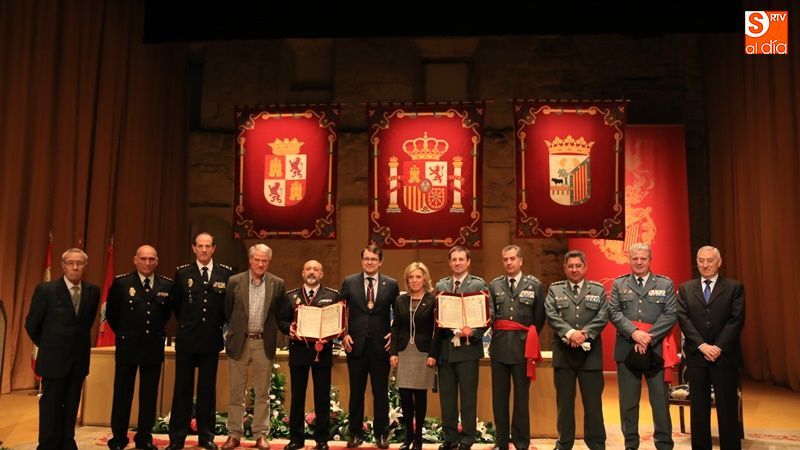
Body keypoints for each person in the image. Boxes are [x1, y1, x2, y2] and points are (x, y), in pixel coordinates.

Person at [25, 248, 100, 450]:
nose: (75, 267)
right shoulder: (46, 290)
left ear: (85, 266)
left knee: (71, 405)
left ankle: (67, 442)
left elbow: (86, 323)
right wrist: (50, 346)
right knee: (51, 407)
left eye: (80, 263)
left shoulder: (93, 291)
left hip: (78, 361)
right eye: (70, 263)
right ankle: (49, 445)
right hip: (53, 360)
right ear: (63, 265)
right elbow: (32, 325)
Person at [166, 232, 233, 450]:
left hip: (210, 340)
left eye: (208, 246)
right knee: (182, 390)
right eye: (200, 246)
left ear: (214, 248)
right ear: (193, 248)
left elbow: (227, 308)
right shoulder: (183, 273)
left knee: (207, 391)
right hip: (187, 339)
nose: (204, 250)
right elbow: (177, 306)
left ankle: (206, 436)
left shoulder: (225, 273)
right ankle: (177, 438)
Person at [608, 242, 676, 450]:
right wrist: (635, 334)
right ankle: (631, 444)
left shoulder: (665, 284)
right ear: (629, 259)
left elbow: (670, 314)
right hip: (627, 348)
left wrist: (648, 337)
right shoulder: (619, 284)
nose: (638, 262)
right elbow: (614, 312)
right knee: (628, 403)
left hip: (656, 350)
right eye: (635, 258)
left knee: (660, 402)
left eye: (643, 258)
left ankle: (664, 444)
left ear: (649, 260)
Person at [677, 246, 745, 450]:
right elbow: (683, 318)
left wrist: (717, 347)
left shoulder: (734, 287)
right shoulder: (686, 288)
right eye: (701, 260)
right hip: (697, 358)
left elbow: (737, 320)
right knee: (699, 410)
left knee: (727, 410)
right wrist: (702, 345)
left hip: (724, 358)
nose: (705, 265)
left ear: (719, 262)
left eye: (709, 260)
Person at [106, 245, 173, 450]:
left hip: (152, 347)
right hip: (128, 347)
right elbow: (112, 315)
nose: (147, 262)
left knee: (149, 396)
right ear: (135, 260)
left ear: (157, 261)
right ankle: (118, 438)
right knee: (122, 394)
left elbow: (166, 314)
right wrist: (127, 334)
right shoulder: (121, 283)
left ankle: (144, 438)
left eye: (151, 259)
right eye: (143, 258)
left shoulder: (166, 285)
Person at [222, 243, 288, 450]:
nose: (260, 264)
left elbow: (282, 314)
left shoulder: (277, 284)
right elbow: (227, 311)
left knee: (262, 393)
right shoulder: (234, 281)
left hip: (263, 343)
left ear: (269, 261)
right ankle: (234, 434)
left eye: (264, 260)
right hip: (239, 342)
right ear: (250, 260)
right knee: (236, 393)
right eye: (257, 260)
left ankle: (260, 434)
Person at [545, 250, 608, 450]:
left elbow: (603, 315)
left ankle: (597, 444)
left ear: (585, 267)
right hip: (564, 355)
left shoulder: (598, 290)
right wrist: (570, 333)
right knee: (564, 405)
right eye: (570, 266)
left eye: (578, 266)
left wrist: (584, 334)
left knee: (593, 405)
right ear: (564, 268)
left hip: (591, 355)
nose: (574, 269)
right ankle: (564, 443)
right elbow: (551, 314)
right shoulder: (555, 290)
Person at [339, 244, 399, 449]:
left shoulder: (391, 284)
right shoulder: (349, 282)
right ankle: (355, 434)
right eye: (366, 258)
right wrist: (343, 334)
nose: (370, 262)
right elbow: (338, 311)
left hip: (381, 346)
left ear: (380, 261)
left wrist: (395, 333)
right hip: (355, 346)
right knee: (356, 392)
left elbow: (398, 314)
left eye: (374, 259)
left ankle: (382, 435)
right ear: (361, 260)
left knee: (380, 393)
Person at [278, 260, 342, 450]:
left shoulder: (332, 296)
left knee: (322, 398)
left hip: (322, 353)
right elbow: (281, 320)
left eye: (316, 269)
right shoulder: (291, 296)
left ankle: (322, 440)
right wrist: (288, 328)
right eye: (308, 269)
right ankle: (296, 439)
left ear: (322, 274)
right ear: (302, 273)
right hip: (298, 353)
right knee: (297, 397)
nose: (311, 272)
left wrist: (334, 332)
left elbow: (340, 322)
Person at [488, 245, 545, 450]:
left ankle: (521, 441)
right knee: (499, 398)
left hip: (523, 349)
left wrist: (528, 338)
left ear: (521, 261)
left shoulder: (534, 285)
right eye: (505, 259)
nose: (509, 263)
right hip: (500, 348)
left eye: (512, 259)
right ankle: (501, 440)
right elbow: (491, 316)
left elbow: (539, 318)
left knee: (522, 398)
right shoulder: (494, 286)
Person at [433, 246, 488, 450]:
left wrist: (472, 332)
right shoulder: (441, 285)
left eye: (461, 259)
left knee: (468, 397)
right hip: (446, 348)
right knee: (447, 397)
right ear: (449, 263)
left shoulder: (478, 284)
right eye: (454, 259)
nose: (457, 263)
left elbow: (486, 317)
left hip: (468, 348)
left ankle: (467, 439)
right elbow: (435, 317)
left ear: (468, 262)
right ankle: (450, 438)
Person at [390, 262, 437, 450]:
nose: (415, 280)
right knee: (405, 397)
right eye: (411, 277)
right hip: (403, 352)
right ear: (407, 280)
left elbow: (437, 330)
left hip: (424, 353)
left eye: (418, 277)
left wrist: (433, 353)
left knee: (420, 397)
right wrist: (393, 352)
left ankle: (418, 439)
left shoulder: (433, 300)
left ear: (425, 278)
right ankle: (408, 437)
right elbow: (395, 328)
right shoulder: (400, 300)